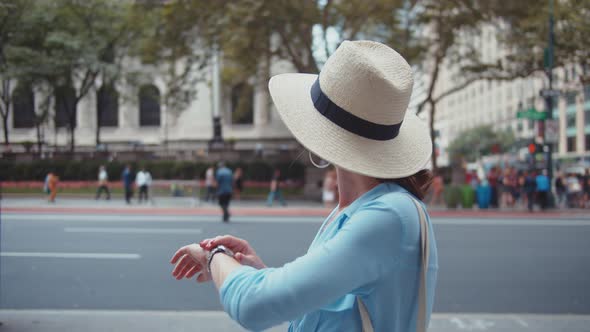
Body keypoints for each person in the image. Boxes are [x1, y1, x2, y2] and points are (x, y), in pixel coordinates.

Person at [170, 41, 438, 331]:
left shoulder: (388, 215)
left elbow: (252, 306)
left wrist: (214, 257)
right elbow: (328, 305)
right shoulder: (355, 208)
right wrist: (261, 274)